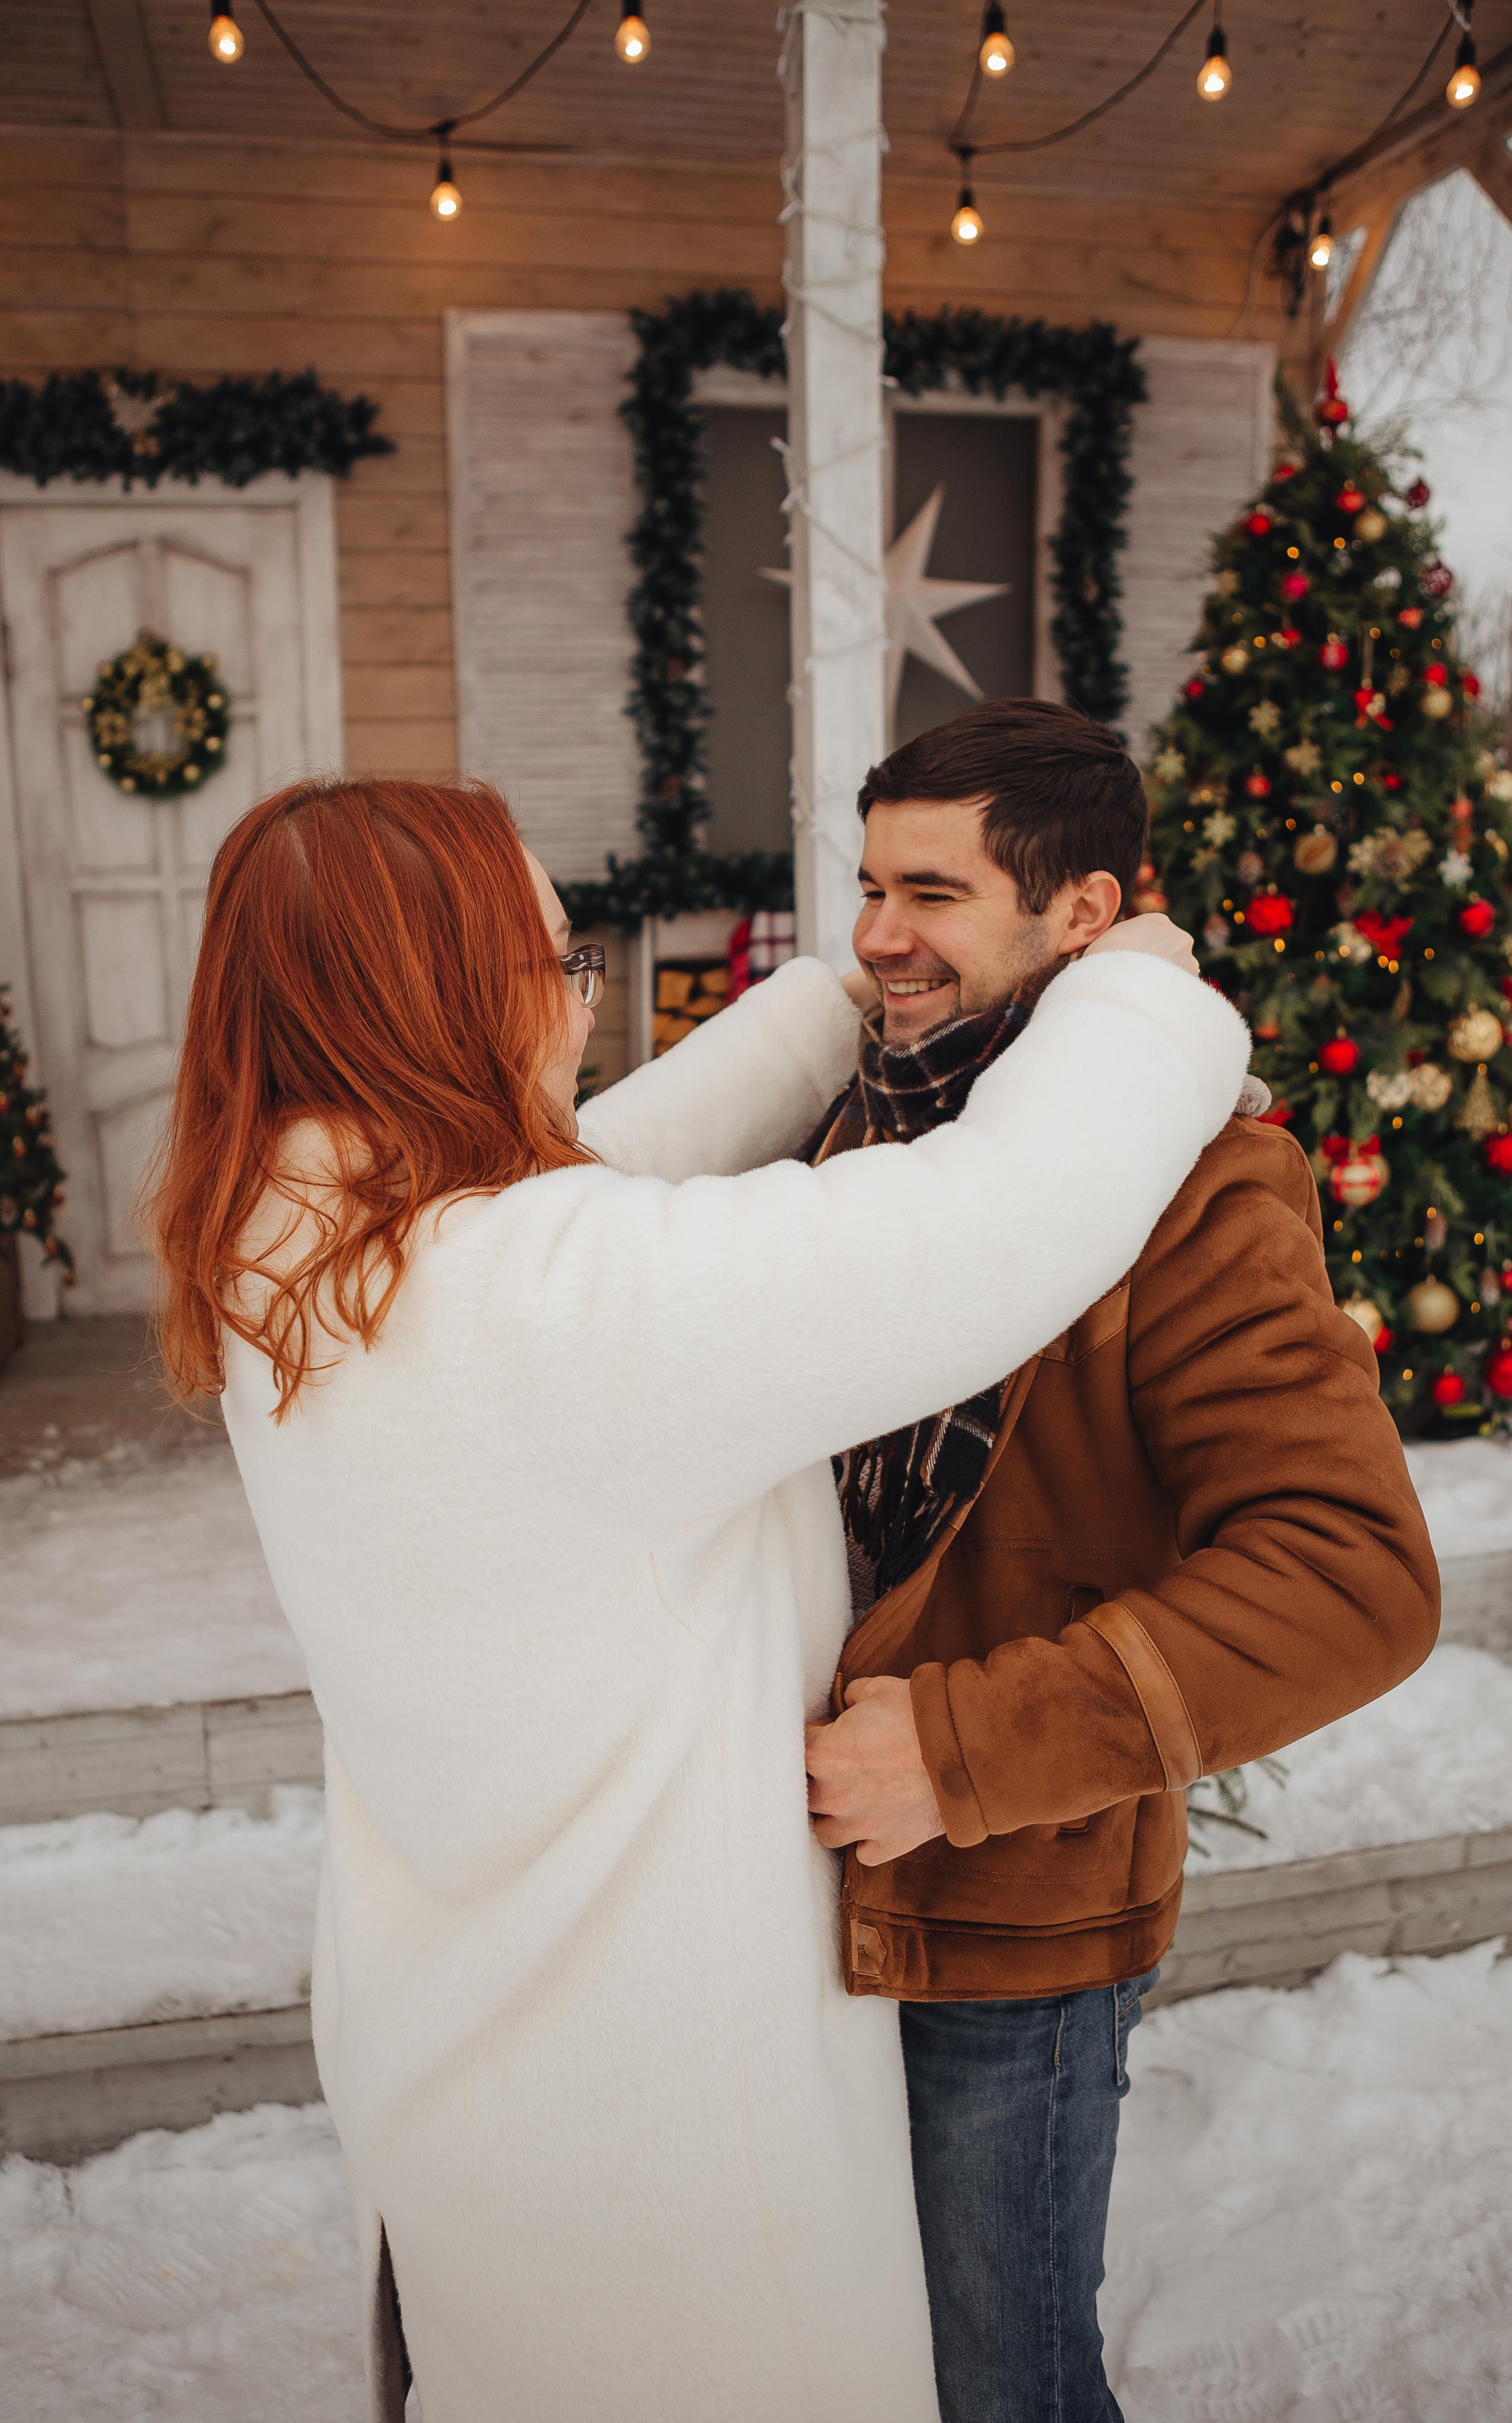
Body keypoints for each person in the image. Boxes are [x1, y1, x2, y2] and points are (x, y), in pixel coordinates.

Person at [147, 772, 1250, 2423]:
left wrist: (834, 998)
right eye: (552, 954)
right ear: (454, 991)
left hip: (463, 2056)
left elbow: (594, 1175)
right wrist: (1148, 995)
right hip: (666, 2147)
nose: (577, 993)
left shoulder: (293, 1240)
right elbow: (993, 1225)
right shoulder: (540, 1318)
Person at [803, 699, 1441, 2423]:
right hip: (792, 1904)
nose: (876, 937)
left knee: (999, 2389)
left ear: (1081, 913)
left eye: (930, 894)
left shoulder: (1197, 1189)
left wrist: (960, 1751)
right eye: (867, 885)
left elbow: (1355, 1574)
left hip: (1010, 1923)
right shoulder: (856, 1121)